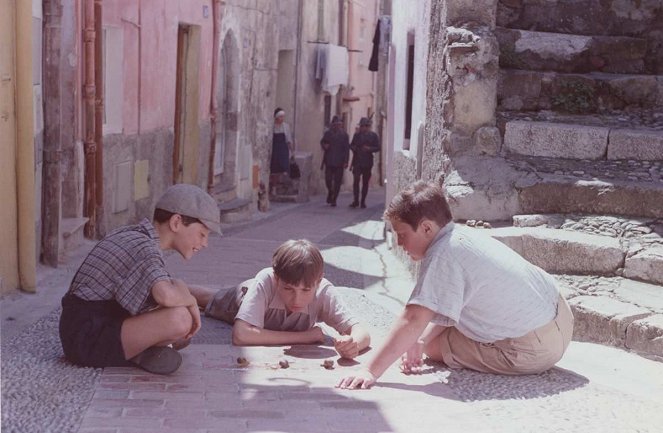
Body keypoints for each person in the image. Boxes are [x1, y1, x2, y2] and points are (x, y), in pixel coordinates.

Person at [337, 181, 574, 389]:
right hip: (561, 316)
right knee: (428, 336)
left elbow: (413, 318)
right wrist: (417, 338)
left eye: (402, 234)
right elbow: (450, 302)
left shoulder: (443, 254)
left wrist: (369, 371)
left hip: (533, 350)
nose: (399, 242)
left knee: (434, 346)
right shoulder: (462, 236)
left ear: (427, 228)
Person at [59, 183, 222, 375]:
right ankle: (138, 353)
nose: (205, 244)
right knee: (180, 320)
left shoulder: (137, 236)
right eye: (202, 234)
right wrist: (193, 302)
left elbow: (167, 288)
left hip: (91, 325)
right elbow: (165, 296)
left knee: (182, 334)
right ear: (176, 222)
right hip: (85, 337)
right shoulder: (143, 247)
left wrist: (182, 291)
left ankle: (140, 352)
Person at [190, 239, 371, 359]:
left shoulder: (322, 290)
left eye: (306, 290)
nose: (297, 299)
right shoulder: (267, 279)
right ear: (277, 279)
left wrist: (352, 345)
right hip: (241, 299)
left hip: (264, 320)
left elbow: (361, 332)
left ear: (318, 281)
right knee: (208, 298)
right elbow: (241, 335)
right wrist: (304, 337)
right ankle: (174, 287)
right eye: (288, 288)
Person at [349, 117, 380, 208]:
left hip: (367, 162)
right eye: (362, 126)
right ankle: (356, 200)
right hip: (357, 161)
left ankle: (363, 201)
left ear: (369, 126)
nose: (364, 128)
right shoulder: (357, 135)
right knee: (356, 180)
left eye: (366, 126)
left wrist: (369, 149)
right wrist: (354, 148)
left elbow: (378, 147)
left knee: (365, 183)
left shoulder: (373, 136)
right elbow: (351, 145)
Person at [320, 115, 350, 207]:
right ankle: (330, 191)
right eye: (335, 124)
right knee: (328, 180)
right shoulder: (328, 133)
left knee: (337, 181)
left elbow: (346, 149)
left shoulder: (344, 135)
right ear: (333, 124)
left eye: (339, 124)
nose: (337, 126)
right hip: (329, 160)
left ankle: (334, 199)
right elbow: (322, 142)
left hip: (339, 161)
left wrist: (346, 161)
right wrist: (324, 146)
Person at [270, 108, 294, 193]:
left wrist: (292, 151)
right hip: (275, 149)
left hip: (283, 149)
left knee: (283, 168)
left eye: (283, 117)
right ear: (276, 117)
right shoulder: (272, 126)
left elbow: (289, 139)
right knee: (274, 170)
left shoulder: (286, 126)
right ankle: (274, 187)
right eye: (280, 117)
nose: (282, 118)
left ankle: (279, 186)